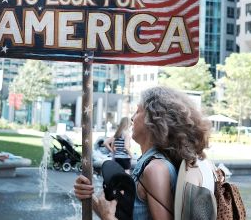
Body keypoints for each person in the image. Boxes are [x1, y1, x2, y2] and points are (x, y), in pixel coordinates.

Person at [74, 86, 212, 220]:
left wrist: (108, 217)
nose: (133, 118)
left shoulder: (155, 169)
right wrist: (89, 197)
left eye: (138, 111)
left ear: (154, 119)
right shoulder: (151, 163)